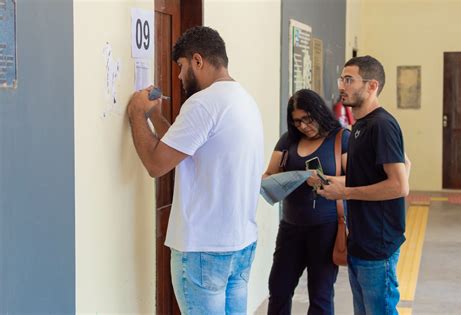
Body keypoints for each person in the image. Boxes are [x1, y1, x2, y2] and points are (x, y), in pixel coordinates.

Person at [127, 26, 264, 315]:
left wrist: (137, 114)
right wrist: (155, 115)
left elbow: (156, 164)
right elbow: (186, 150)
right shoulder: (244, 99)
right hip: (240, 245)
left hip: (204, 250)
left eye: (181, 66)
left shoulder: (203, 103)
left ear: (198, 60)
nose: (178, 76)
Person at [318, 55, 411, 315]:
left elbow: (399, 186)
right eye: (341, 79)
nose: (341, 86)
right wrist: (330, 183)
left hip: (377, 247)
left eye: (349, 80)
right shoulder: (360, 127)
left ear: (372, 86)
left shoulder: (381, 125)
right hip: (360, 243)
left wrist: (345, 192)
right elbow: (374, 175)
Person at [262, 89, 350, 315]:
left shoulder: (341, 138)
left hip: (326, 227)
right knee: (279, 288)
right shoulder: (288, 140)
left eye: (307, 119)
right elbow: (268, 176)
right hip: (291, 227)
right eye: (297, 121)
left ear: (319, 112)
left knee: (320, 295)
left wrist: (324, 180)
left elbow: (355, 180)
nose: (303, 126)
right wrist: (283, 180)